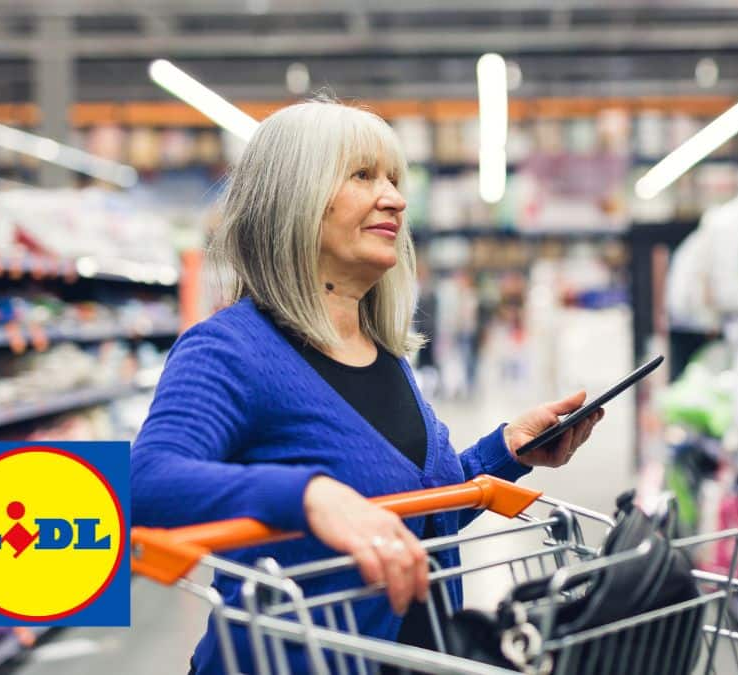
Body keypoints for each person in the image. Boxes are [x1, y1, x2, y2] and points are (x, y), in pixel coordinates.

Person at [130, 97, 603, 675]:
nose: (396, 199)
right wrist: (308, 496)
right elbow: (145, 482)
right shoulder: (230, 349)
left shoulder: (382, 354)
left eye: (395, 179)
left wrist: (505, 454)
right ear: (293, 200)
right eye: (363, 175)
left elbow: (409, 520)